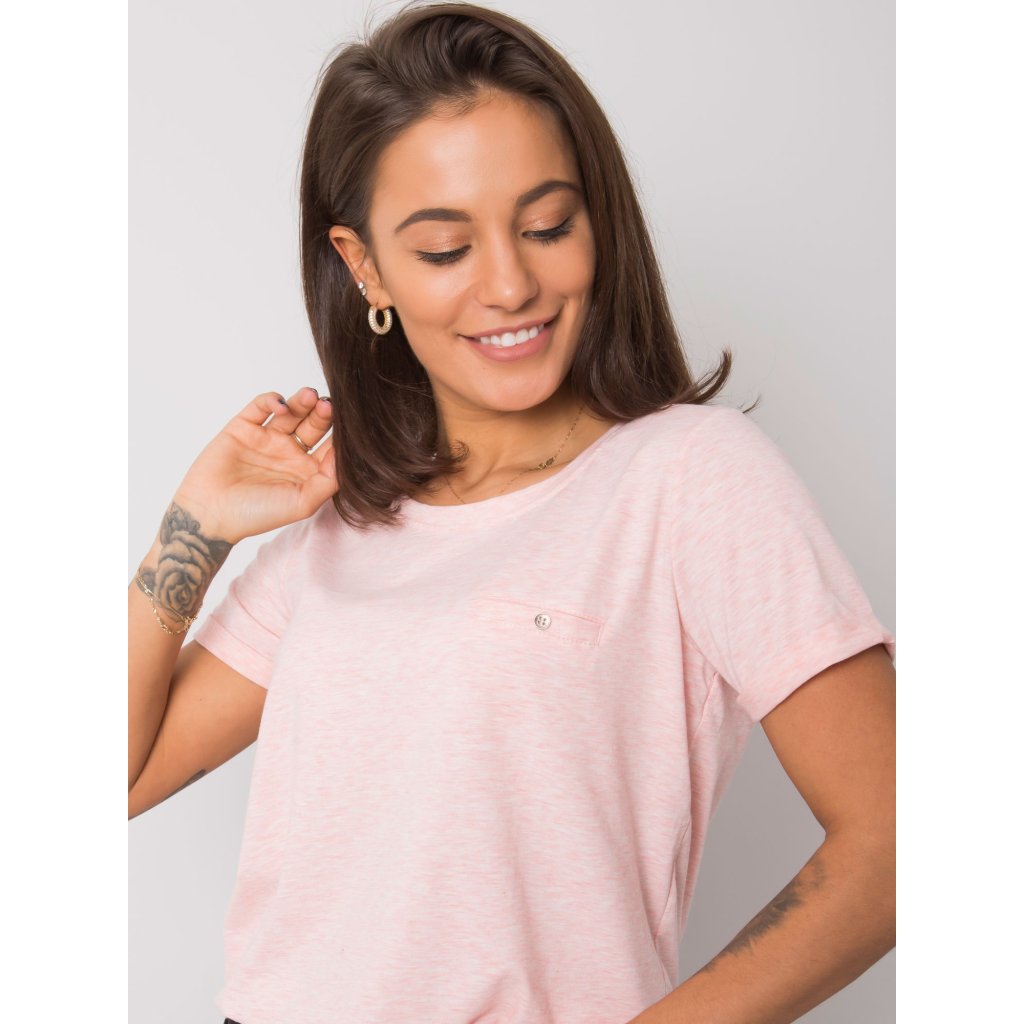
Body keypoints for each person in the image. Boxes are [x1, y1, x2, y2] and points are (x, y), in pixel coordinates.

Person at [127, 3, 896, 1023]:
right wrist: (197, 527)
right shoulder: (344, 527)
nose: (510, 283)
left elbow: (898, 843)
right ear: (365, 267)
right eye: (446, 248)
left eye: (546, 227)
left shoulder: (689, 477)